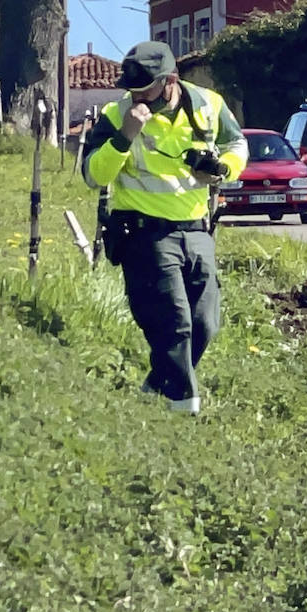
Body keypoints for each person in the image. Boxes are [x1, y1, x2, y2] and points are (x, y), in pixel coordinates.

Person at [82, 41, 248, 414]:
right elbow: (93, 175)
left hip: (196, 228)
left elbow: (237, 144)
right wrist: (125, 136)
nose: (138, 97)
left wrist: (222, 169)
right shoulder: (117, 114)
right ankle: (183, 406)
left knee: (206, 323)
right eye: (133, 90)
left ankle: (157, 386)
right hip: (145, 232)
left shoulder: (209, 104)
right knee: (175, 323)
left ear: (170, 80)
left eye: (146, 89)